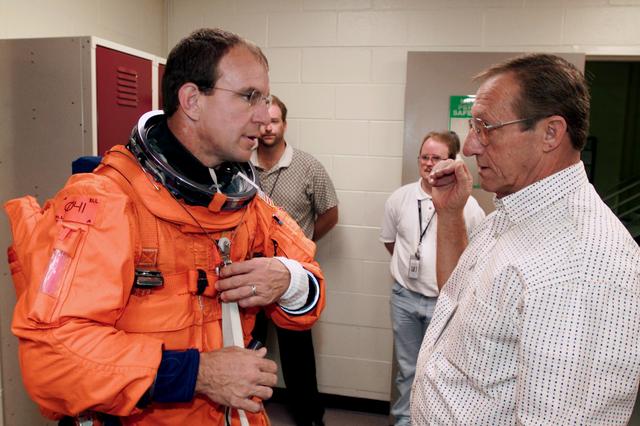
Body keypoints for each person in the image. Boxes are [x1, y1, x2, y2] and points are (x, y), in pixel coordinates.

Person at [8, 28, 326, 425]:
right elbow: (51, 356)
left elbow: (311, 289)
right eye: (248, 97)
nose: (264, 118)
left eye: (264, 99)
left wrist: (289, 280)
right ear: (192, 100)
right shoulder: (107, 201)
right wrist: (198, 374)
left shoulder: (246, 202)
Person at [410, 53, 640, 425]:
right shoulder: (509, 215)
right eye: (473, 126)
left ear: (551, 133)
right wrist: (451, 215)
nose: (469, 146)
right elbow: (456, 302)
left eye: (485, 127)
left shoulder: (585, 261)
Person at [380, 131, 485, 426]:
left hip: (446, 306)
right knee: (407, 371)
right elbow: (391, 243)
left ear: (452, 162)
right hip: (405, 299)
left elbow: (474, 259)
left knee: (440, 373)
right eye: (424, 157)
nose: (428, 164)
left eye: (436, 158)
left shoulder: (470, 207)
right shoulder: (399, 199)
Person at [250, 95, 338, 426]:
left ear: (284, 124)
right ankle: (244, 413)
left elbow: (330, 212)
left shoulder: (307, 166)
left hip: (292, 276)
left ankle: (310, 417)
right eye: (263, 122)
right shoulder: (240, 163)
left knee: (297, 354)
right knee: (249, 346)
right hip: (251, 274)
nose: (268, 127)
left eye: (275, 121)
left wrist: (304, 242)